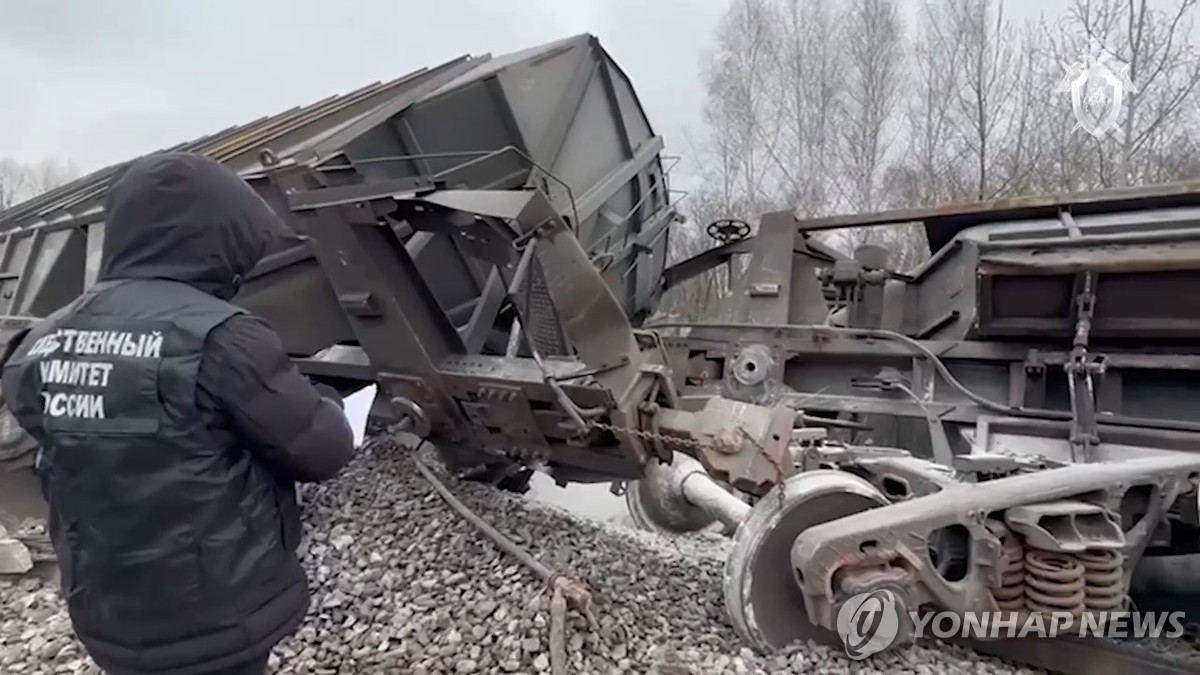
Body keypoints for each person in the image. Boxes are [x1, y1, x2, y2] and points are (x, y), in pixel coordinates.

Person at [0, 152, 357, 675]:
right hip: (216, 615)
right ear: (217, 238)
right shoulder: (221, 335)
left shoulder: (43, 337)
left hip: (105, 610)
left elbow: (61, 427)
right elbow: (322, 449)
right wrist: (325, 400)